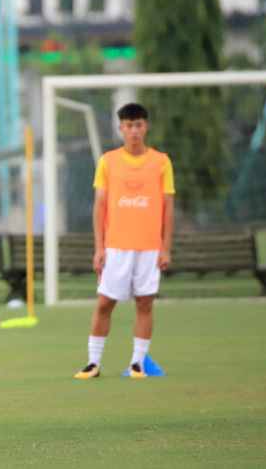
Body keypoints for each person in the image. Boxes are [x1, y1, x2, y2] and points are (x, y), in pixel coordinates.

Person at [74, 103, 175, 380]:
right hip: (115, 247)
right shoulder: (108, 161)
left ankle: (137, 363)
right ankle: (93, 362)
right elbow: (100, 207)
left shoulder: (161, 161)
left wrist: (165, 247)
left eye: (139, 124)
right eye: (128, 125)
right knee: (105, 303)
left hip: (150, 247)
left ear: (146, 127)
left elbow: (168, 207)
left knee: (145, 304)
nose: (134, 130)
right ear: (121, 128)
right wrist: (99, 247)